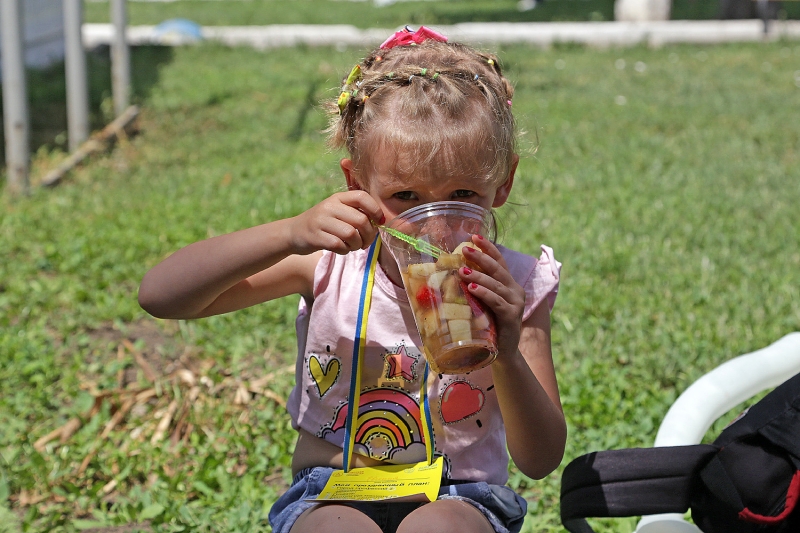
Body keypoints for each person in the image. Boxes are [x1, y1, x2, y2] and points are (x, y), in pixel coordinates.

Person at [138, 25, 566, 533]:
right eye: (405, 197)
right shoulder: (327, 264)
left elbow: (540, 459)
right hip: (332, 491)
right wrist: (289, 233)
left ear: (503, 184)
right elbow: (162, 296)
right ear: (356, 186)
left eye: (464, 196)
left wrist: (509, 350)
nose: (435, 225)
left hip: (460, 494)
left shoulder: (516, 285)